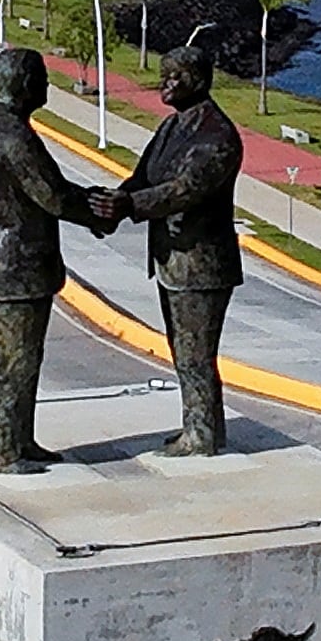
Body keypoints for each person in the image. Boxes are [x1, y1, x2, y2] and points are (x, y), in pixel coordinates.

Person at [91, 41, 243, 455]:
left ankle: (204, 434)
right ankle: (195, 426)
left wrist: (129, 205)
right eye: (164, 76)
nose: (166, 84)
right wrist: (111, 203)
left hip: (202, 262)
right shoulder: (171, 128)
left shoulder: (219, 136)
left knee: (196, 353)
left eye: (176, 77)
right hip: (172, 260)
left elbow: (184, 190)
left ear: (199, 80)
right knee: (182, 351)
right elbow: (143, 178)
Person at [0, 46, 110, 472]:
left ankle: (20, 440)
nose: (47, 85)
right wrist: (98, 210)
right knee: (17, 362)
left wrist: (87, 201)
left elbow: (51, 188)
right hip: (15, 264)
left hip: (2, 258)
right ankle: (0, 451)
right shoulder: (13, 137)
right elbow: (52, 196)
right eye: (42, 78)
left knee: (26, 358)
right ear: (26, 84)